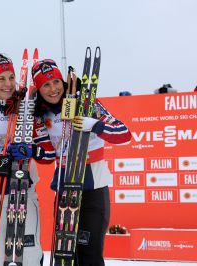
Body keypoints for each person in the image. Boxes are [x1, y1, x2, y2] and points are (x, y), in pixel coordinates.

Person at [31, 59, 131, 266]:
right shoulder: (42, 116)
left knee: (89, 253)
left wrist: (95, 125)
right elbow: (48, 156)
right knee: (66, 254)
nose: (52, 89)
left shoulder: (87, 104)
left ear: (64, 82)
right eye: (45, 85)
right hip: (65, 186)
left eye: (56, 82)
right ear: (38, 90)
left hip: (93, 187)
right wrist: (29, 149)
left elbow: (124, 134)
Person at [0, 53, 54, 266]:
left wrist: (32, 150)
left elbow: (48, 153)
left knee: (28, 255)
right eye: (1, 78)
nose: (8, 83)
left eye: (11, 77)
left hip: (23, 190)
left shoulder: (27, 108)